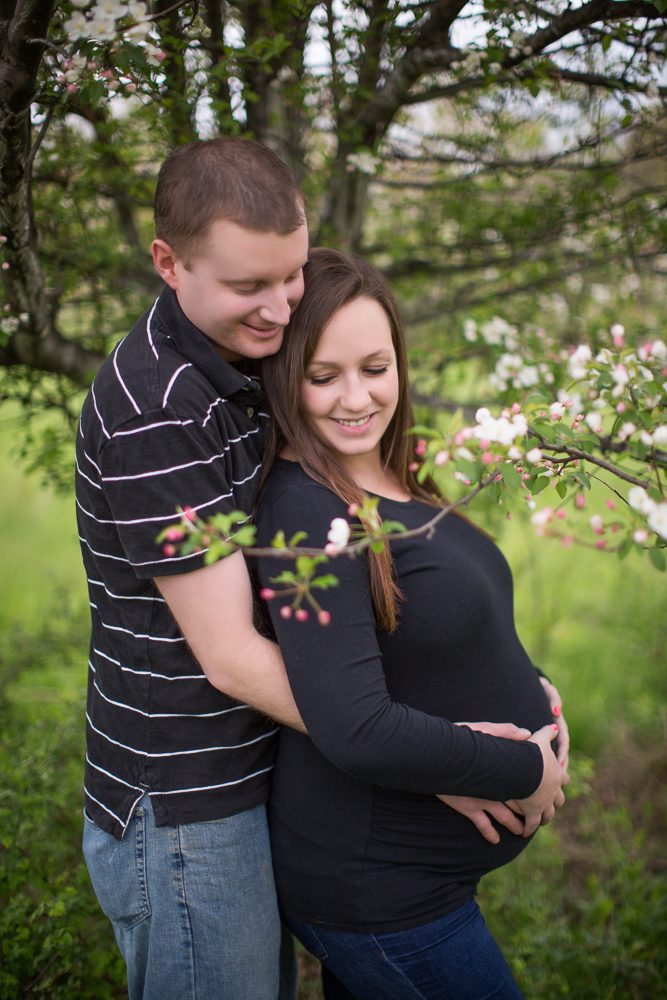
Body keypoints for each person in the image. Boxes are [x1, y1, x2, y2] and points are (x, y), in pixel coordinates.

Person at [254, 248, 569, 1000]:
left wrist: (535, 692)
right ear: (282, 377)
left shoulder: (395, 472)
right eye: (322, 376)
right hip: (380, 896)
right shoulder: (305, 514)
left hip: (416, 886)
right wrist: (526, 769)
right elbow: (354, 725)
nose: (355, 397)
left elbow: (431, 638)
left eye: (375, 367)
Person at [75, 137, 310, 1000]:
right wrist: (414, 743)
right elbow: (231, 655)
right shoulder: (157, 411)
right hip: (186, 808)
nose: (282, 309)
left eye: (290, 274)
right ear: (168, 265)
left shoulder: (235, 357)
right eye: (249, 285)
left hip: (247, 772)